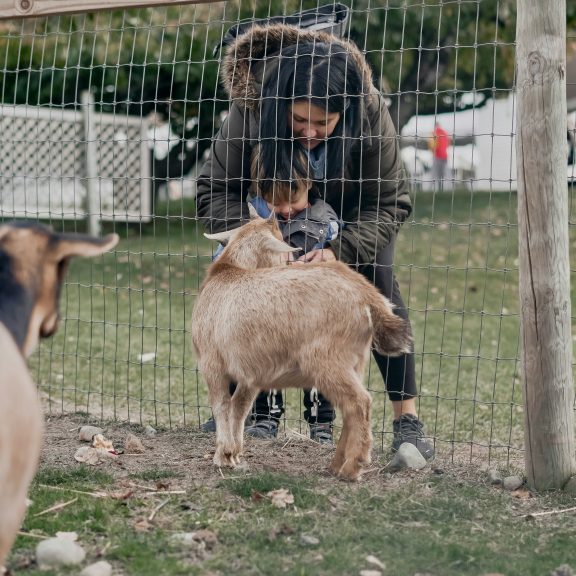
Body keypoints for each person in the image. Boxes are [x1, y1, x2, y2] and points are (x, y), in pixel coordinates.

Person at [196, 23, 435, 459]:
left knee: (377, 276)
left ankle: (407, 420)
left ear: (345, 113)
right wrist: (255, 238)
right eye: (299, 119)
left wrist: (337, 251)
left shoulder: (370, 114)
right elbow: (213, 189)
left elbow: (393, 202)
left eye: (322, 123)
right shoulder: (250, 109)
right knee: (232, 278)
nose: (308, 131)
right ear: (279, 105)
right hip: (269, 214)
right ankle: (234, 409)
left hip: (348, 223)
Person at [203, 147, 341, 444]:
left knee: (315, 364)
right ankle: (265, 418)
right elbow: (229, 253)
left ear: (309, 186)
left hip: (308, 312)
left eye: (292, 199)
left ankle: (321, 424)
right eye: (274, 202)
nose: (285, 210)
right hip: (267, 311)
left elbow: (334, 255)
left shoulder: (324, 219)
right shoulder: (254, 219)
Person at [429, 122, 451, 190]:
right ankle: (445, 188)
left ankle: (432, 188)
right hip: (444, 155)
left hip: (437, 155)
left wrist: (433, 151)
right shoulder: (445, 133)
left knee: (435, 173)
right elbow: (448, 143)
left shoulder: (434, 133)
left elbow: (432, 145)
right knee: (444, 173)